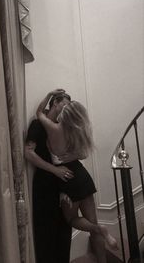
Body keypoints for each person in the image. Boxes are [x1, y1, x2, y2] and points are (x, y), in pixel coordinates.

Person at [36, 89, 118, 263]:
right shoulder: (75, 131)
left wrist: (50, 94)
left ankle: (99, 228)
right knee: (92, 219)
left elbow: (39, 112)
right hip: (82, 176)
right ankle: (102, 254)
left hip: (67, 179)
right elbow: (83, 154)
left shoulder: (53, 128)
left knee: (71, 219)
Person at [25, 91, 74, 263]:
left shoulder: (63, 129)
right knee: (45, 230)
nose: (67, 109)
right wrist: (54, 171)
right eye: (65, 105)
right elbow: (28, 153)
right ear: (55, 103)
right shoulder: (38, 124)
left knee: (64, 228)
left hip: (63, 184)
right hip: (44, 184)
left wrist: (65, 186)